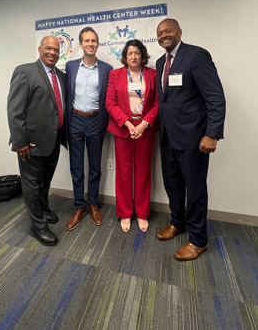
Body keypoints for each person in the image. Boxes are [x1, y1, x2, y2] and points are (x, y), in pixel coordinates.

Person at [156, 19, 226, 260]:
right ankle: (178, 222)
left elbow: (215, 97)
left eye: (168, 31)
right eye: (160, 33)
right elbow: (165, 100)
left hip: (194, 138)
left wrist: (212, 133)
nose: (164, 35)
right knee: (173, 185)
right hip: (167, 137)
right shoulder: (159, 63)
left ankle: (198, 240)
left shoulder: (196, 56)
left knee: (195, 189)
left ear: (179, 33)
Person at [7, 36, 67, 246]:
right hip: (30, 143)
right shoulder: (25, 71)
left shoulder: (61, 76)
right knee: (32, 184)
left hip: (53, 140)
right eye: (48, 48)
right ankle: (37, 226)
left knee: (45, 181)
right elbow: (14, 110)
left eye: (56, 50)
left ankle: (43, 208)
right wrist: (20, 141)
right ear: (40, 49)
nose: (52, 52)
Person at [106, 39, 159, 233]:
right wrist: (128, 124)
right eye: (130, 53)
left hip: (145, 128)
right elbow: (110, 103)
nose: (133, 56)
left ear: (142, 55)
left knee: (144, 170)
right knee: (124, 172)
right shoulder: (115, 75)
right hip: (123, 128)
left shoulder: (152, 74)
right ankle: (126, 213)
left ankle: (143, 212)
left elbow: (157, 103)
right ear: (125, 56)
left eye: (137, 53)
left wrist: (144, 124)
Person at [65, 27, 113, 231]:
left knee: (94, 166)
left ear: (98, 44)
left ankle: (93, 204)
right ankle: (79, 206)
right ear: (81, 44)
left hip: (95, 120)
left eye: (94, 40)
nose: (90, 44)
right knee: (76, 166)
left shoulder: (107, 69)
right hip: (75, 119)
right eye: (87, 41)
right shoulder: (70, 66)